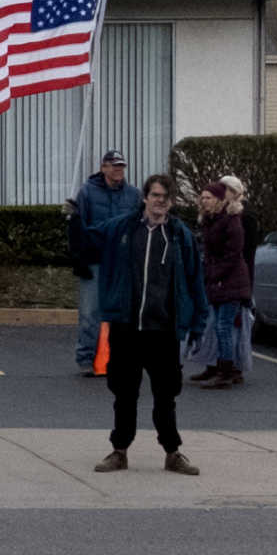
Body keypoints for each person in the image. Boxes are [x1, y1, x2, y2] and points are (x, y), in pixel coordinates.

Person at [86, 172, 207, 476]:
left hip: (164, 329)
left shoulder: (180, 236)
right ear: (145, 198)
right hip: (127, 327)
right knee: (124, 393)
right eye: (155, 196)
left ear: (172, 202)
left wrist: (198, 321)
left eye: (165, 198)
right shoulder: (123, 228)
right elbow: (88, 240)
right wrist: (74, 217)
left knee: (166, 395)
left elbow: (195, 281)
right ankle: (119, 450)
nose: (160, 203)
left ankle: (172, 451)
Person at [67, 150, 144, 374]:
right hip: (95, 260)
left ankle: (120, 357)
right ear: (103, 168)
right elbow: (77, 227)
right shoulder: (87, 192)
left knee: (123, 312)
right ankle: (85, 358)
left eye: (121, 165)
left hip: (123, 262)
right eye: (114, 165)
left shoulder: (134, 195)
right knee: (90, 312)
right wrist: (79, 258)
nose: (118, 169)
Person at [194, 178, 254, 390]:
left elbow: (233, 254)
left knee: (224, 327)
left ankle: (226, 370)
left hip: (231, 283)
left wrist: (215, 275)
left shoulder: (232, 221)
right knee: (217, 327)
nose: (204, 201)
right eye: (202, 197)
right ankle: (219, 367)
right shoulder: (212, 220)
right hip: (218, 282)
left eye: (208, 198)